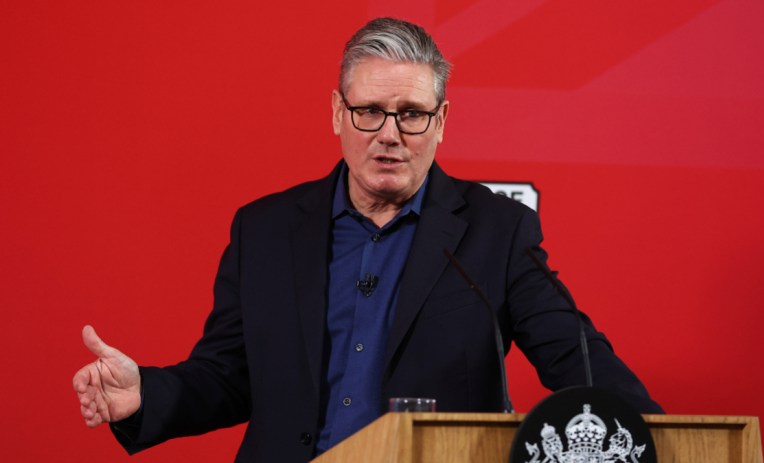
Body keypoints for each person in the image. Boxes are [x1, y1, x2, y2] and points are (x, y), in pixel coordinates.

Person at [73, 17, 662, 463]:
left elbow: (574, 356)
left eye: (411, 114)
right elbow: (230, 376)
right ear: (336, 113)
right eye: (369, 112)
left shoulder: (494, 230)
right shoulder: (266, 229)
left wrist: (663, 440)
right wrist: (146, 393)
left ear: (441, 121)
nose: (389, 135)